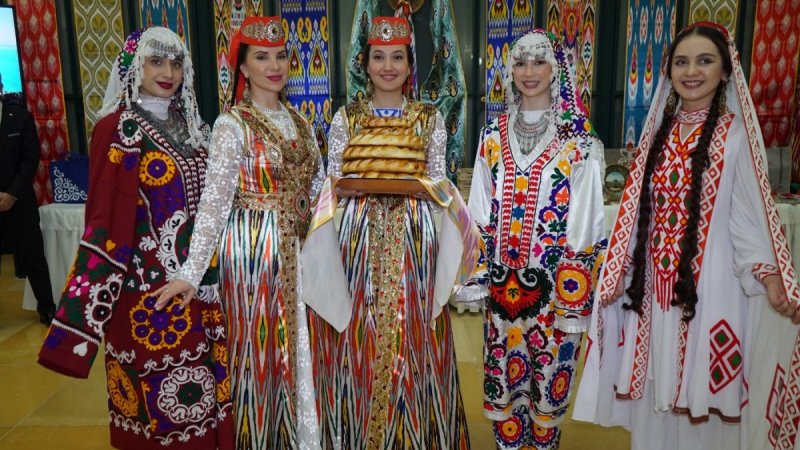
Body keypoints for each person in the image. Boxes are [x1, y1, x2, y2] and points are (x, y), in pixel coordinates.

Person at [573, 22, 800, 450]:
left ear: (725, 71)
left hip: (711, 292)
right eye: (681, 62)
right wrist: (619, 272)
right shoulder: (656, 136)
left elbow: (745, 218)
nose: (691, 71)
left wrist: (769, 276)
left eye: (704, 60)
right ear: (669, 71)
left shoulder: (736, 137)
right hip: (653, 297)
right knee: (654, 406)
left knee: (704, 407)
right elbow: (637, 216)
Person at [37, 27, 233, 449]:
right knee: (162, 406)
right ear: (132, 67)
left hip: (200, 286)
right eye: (155, 61)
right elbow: (105, 220)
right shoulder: (118, 128)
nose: (168, 73)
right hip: (148, 296)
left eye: (176, 63)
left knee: (203, 401)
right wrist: (79, 323)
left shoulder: (193, 127)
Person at [154, 16, 326, 450]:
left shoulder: (301, 122)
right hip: (256, 254)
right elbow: (214, 204)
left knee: (309, 349)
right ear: (243, 67)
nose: (274, 66)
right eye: (261, 57)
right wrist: (191, 273)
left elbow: (320, 191)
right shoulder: (233, 125)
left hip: (304, 250)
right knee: (265, 354)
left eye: (280, 56)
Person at [307, 16, 470, 449]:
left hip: (413, 236)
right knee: (357, 331)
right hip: (357, 237)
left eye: (397, 57)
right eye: (378, 57)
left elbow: (439, 183)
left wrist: (414, 190)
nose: (388, 67)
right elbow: (332, 182)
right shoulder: (346, 118)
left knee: (412, 330)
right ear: (365, 64)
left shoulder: (429, 118)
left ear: (410, 65)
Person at [458, 30, 606, 449]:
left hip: (554, 294)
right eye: (520, 62)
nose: (529, 72)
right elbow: (478, 213)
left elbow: (586, 223)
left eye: (539, 62)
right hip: (502, 292)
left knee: (547, 387)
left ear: (557, 70)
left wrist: (573, 298)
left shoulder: (579, 140)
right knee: (504, 386)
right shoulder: (492, 135)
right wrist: (477, 275)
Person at [0, 72, 57, 325]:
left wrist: (12, 194)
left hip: (19, 200)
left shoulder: (20, 118)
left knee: (33, 256)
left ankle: (47, 308)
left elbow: (30, 159)